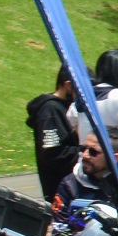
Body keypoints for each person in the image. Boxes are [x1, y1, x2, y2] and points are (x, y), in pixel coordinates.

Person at [27, 68, 80, 202]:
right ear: (68, 85)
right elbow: (53, 153)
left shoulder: (71, 106)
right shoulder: (50, 109)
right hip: (60, 189)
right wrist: (85, 152)